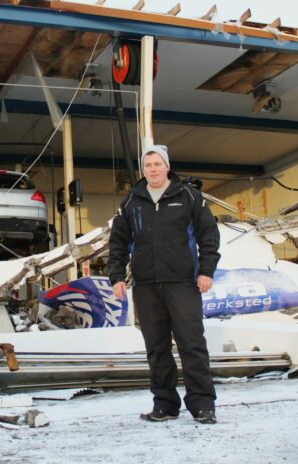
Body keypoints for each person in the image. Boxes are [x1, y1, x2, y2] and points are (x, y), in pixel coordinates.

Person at [108, 144, 221, 424]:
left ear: (167, 166)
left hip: (182, 283)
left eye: (157, 164)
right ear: (143, 170)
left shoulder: (188, 196)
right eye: (148, 165)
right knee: (156, 348)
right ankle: (166, 404)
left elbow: (209, 235)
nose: (153, 169)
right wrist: (117, 276)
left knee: (191, 344)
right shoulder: (131, 202)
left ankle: (203, 405)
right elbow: (118, 242)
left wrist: (206, 270)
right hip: (146, 285)